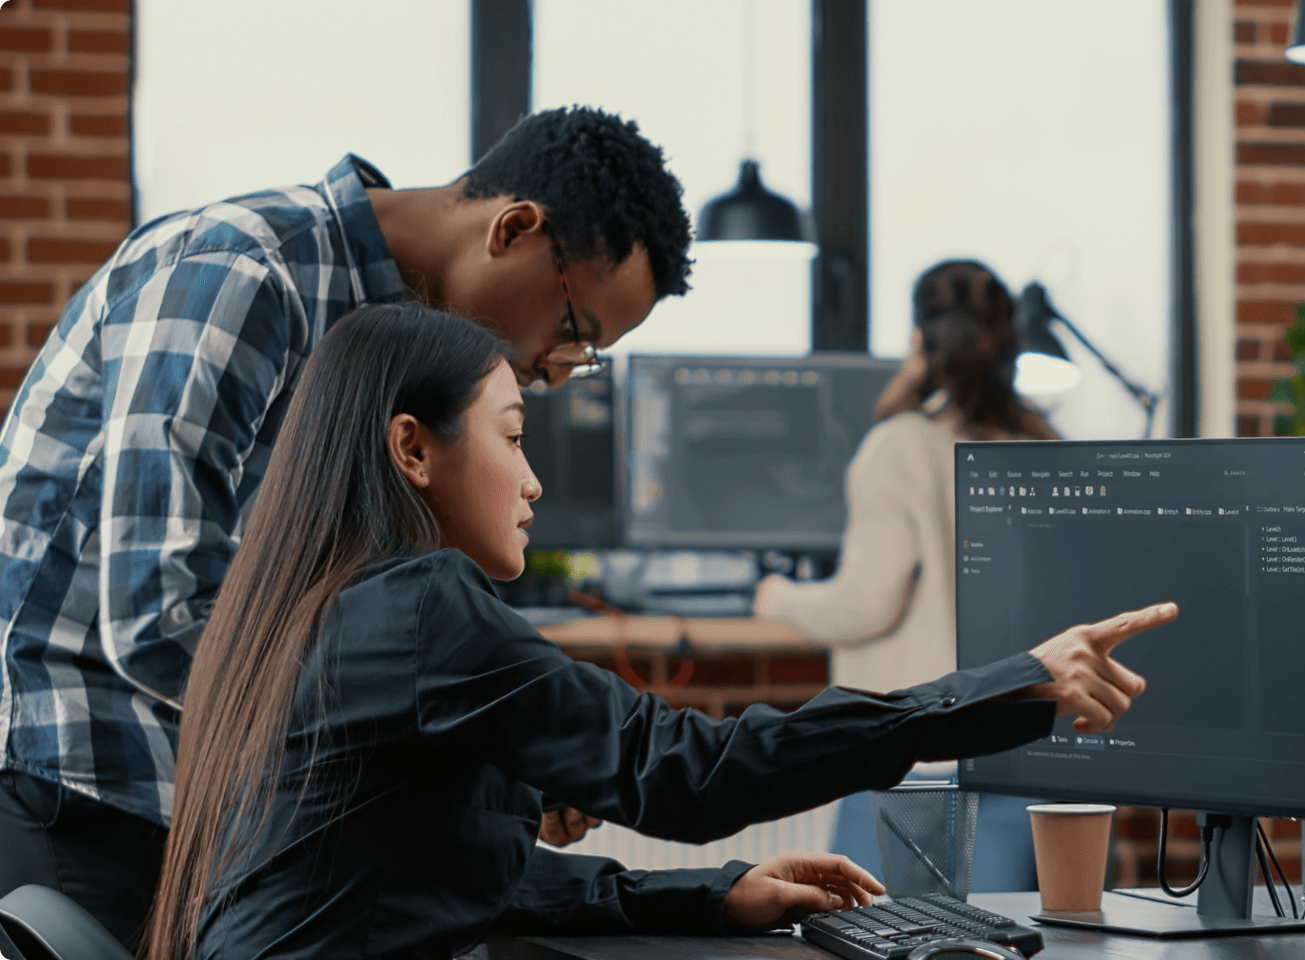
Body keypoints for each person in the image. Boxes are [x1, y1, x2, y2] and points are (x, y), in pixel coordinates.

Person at [140, 303, 1171, 960]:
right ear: (412, 450)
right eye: (511, 438)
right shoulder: (422, 607)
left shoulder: (303, 606)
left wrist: (716, 897)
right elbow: (689, 770)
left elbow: (445, 876)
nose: (535, 480)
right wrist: (1012, 685)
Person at [0, 106, 691, 947]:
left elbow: (359, 636)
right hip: (88, 776)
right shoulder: (246, 271)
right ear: (514, 230)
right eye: (572, 330)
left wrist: (487, 755)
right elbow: (158, 611)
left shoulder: (397, 359)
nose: (553, 371)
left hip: (203, 781)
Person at [752, 260, 1058, 890]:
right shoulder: (1050, 449)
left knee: (882, 935)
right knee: (1015, 944)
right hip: (1026, 756)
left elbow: (868, 602)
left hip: (918, 768)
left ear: (920, 342)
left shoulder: (900, 445)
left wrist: (779, 598)